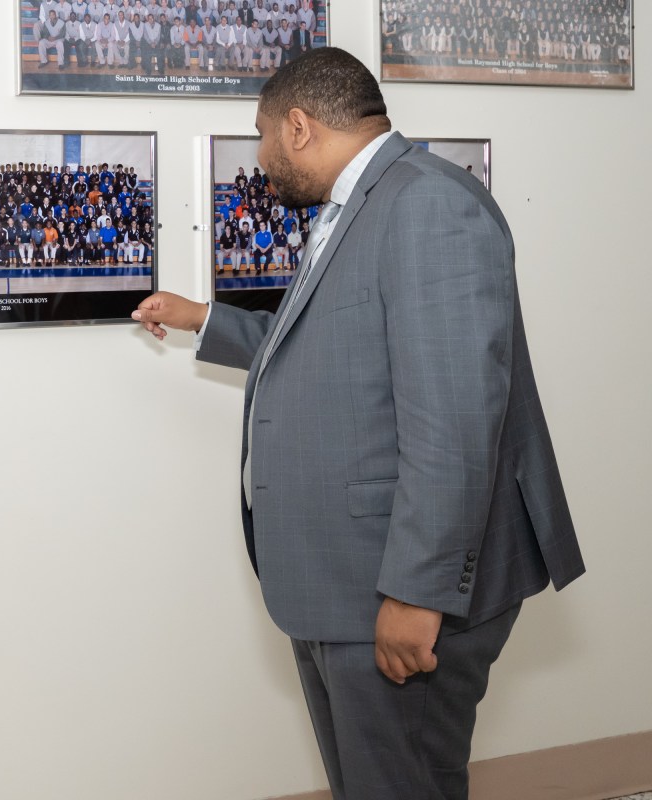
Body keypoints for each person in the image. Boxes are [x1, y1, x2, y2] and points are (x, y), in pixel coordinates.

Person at [131, 47, 584, 800]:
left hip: (393, 590)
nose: (263, 156)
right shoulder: (364, 203)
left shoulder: (426, 205)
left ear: (300, 127)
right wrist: (205, 319)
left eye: (263, 134)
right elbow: (330, 347)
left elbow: (456, 417)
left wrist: (417, 594)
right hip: (342, 580)